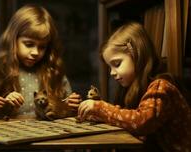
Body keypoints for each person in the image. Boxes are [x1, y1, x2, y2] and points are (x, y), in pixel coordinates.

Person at [78, 22, 191, 151]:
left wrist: (102, 109)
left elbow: (141, 121)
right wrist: (98, 115)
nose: (112, 72)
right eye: (110, 67)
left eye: (117, 63)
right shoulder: (135, 87)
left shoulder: (161, 86)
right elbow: (127, 117)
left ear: (137, 54)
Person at [0, 4, 82, 119]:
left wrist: (70, 105)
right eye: (29, 44)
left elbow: (68, 110)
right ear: (13, 40)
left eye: (42, 47)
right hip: (10, 135)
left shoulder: (54, 74)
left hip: (49, 134)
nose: (35, 52)